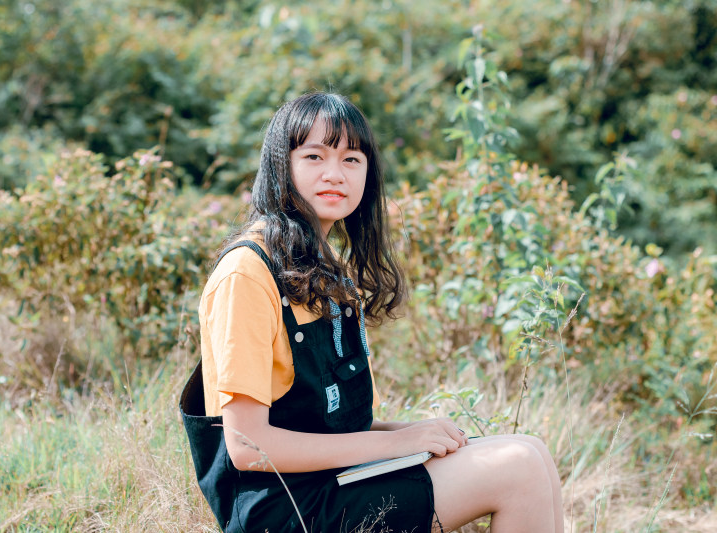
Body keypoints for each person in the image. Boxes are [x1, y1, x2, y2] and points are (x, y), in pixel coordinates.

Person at [179, 92, 563, 533]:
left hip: (333, 483)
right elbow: (247, 445)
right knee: (517, 469)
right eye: (314, 156)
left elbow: (324, 425)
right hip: (283, 510)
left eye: (351, 160)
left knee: (531, 449)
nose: (333, 174)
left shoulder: (320, 267)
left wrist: (410, 433)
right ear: (281, 166)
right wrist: (398, 443)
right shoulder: (248, 271)